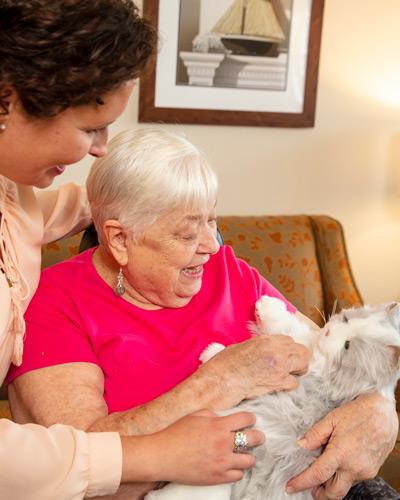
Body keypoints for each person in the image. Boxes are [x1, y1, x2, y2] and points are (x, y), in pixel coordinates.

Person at [7, 128, 399, 500]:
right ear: (120, 239)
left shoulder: (231, 272)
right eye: (187, 232)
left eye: (212, 220)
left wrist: (380, 408)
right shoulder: (54, 304)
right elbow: (87, 470)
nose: (212, 245)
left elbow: (330, 365)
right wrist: (217, 382)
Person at [0, 2, 267, 499]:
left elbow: (82, 205)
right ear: (6, 101)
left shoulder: (18, 199)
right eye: (90, 126)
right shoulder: (60, 297)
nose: (100, 146)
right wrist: (169, 442)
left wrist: (170, 211)